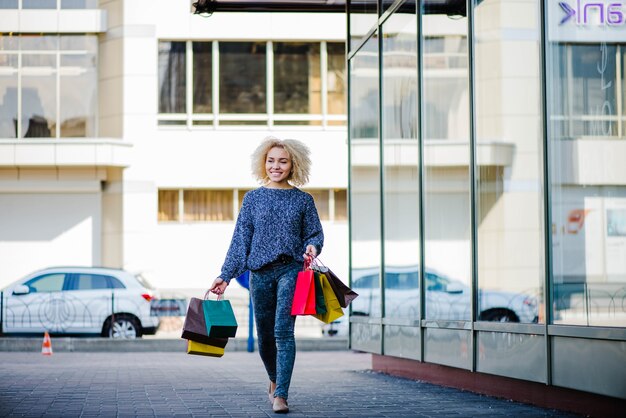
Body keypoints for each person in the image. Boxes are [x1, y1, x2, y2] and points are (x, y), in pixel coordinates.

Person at [209, 136, 324, 414]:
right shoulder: (253, 199)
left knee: (284, 332)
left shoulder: (303, 200)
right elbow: (241, 241)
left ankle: (281, 394)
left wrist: (312, 245)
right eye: (271, 161)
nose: (276, 166)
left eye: (282, 161)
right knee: (265, 337)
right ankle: (273, 379)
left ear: (293, 164)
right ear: (263, 163)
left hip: (291, 271)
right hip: (259, 274)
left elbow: (314, 233)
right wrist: (225, 275)